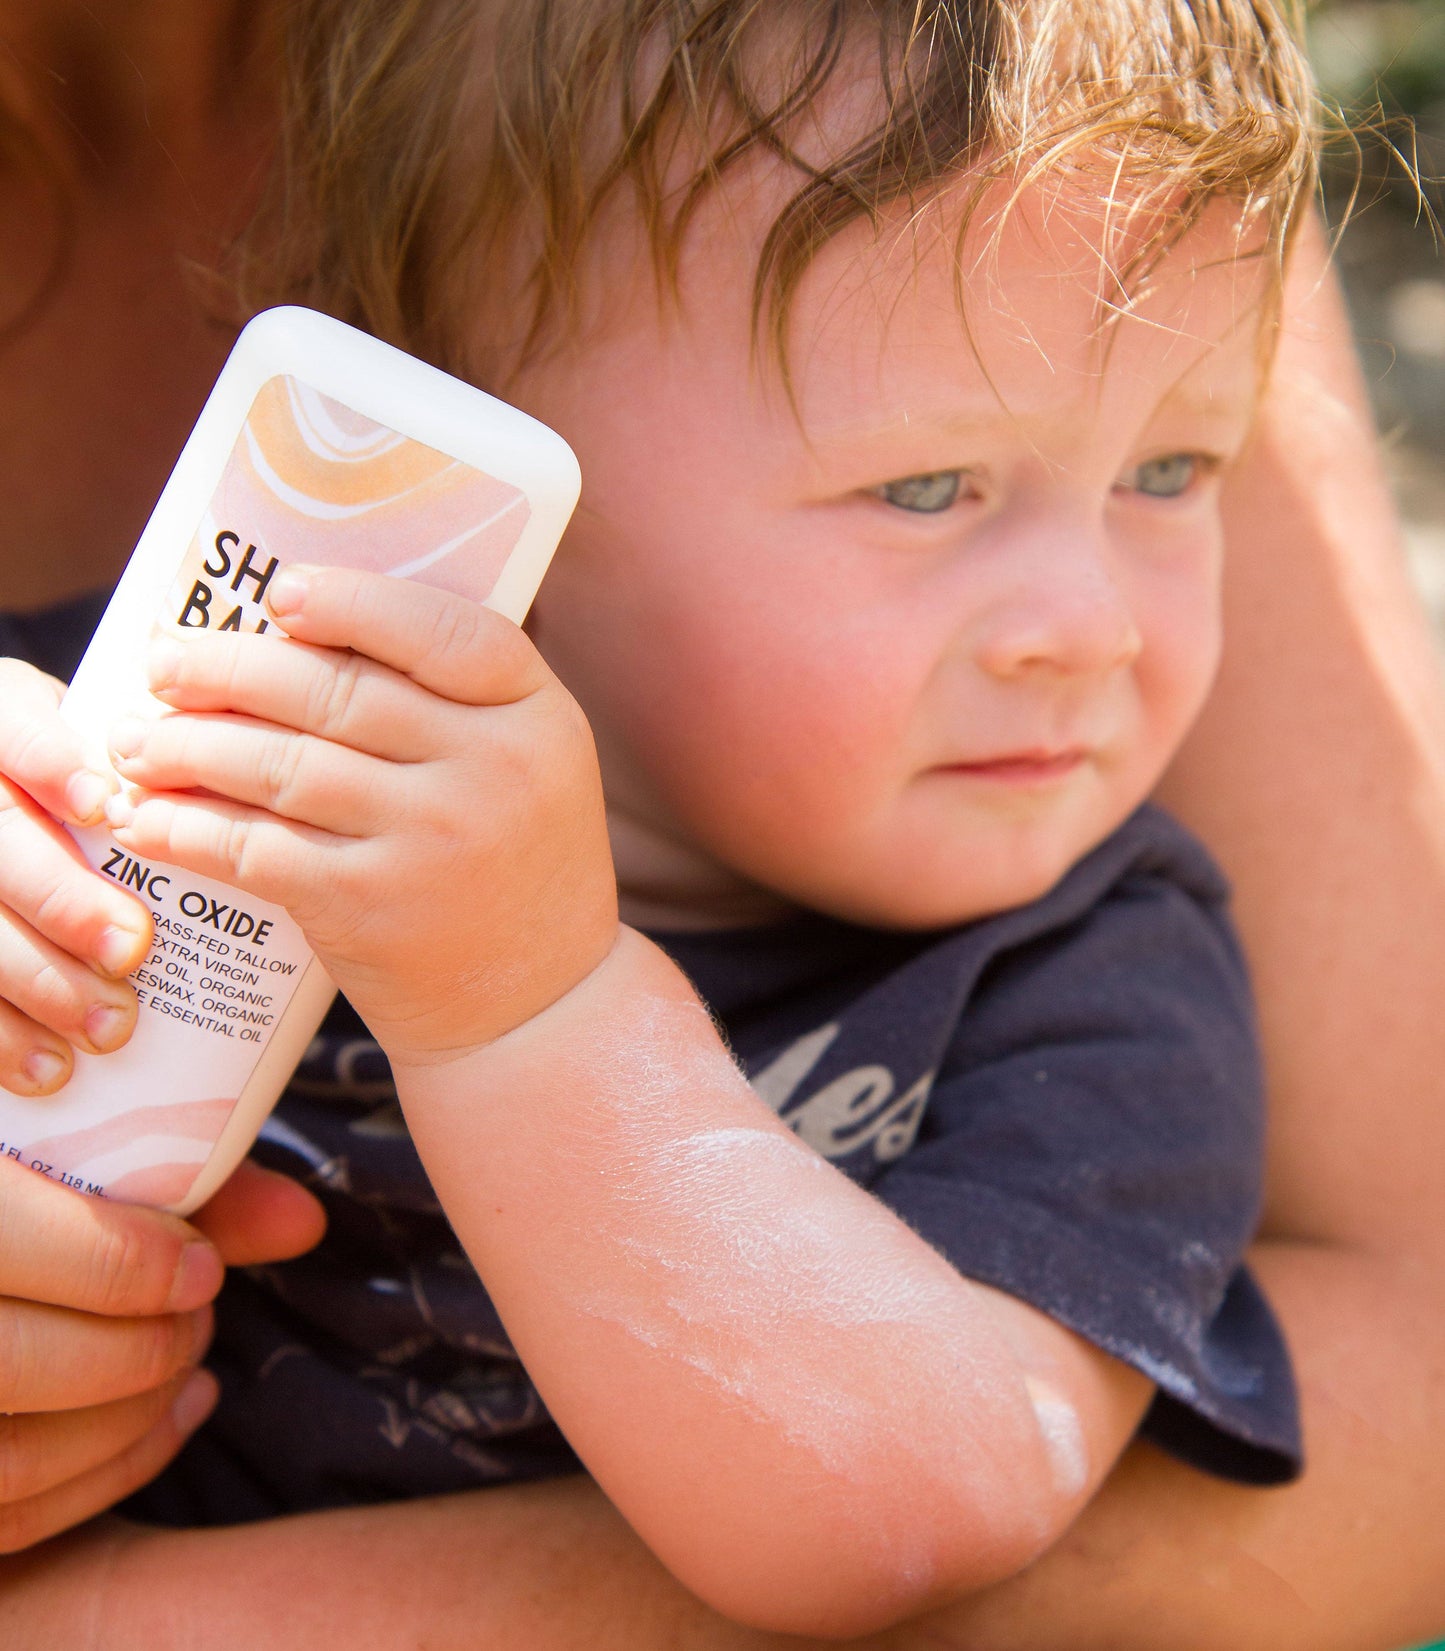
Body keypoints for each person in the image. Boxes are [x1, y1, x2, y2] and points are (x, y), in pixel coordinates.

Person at [0, 6, 1443, 1651]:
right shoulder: (174, 723)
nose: (1089, 624)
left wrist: (535, 1013)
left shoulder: (1081, 986)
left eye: (1174, 469)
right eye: (926, 489)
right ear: (478, 462)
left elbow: (920, 1512)